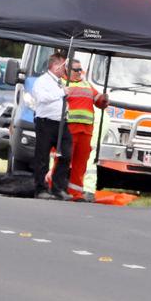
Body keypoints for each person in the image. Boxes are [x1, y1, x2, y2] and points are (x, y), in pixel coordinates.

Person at [53, 59, 109, 202]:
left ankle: (76, 193)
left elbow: (99, 101)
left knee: (80, 163)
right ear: (66, 70)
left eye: (80, 70)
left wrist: (104, 99)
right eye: (76, 70)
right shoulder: (61, 84)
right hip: (69, 128)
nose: (79, 73)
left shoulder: (87, 84)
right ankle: (55, 188)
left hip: (86, 130)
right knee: (63, 160)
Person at [31, 52, 74, 201]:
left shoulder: (59, 81)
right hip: (46, 122)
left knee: (66, 154)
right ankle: (40, 188)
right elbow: (41, 98)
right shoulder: (42, 81)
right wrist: (61, 93)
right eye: (64, 65)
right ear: (55, 66)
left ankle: (58, 188)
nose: (65, 69)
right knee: (42, 156)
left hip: (61, 122)